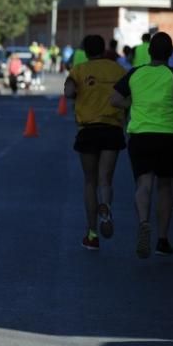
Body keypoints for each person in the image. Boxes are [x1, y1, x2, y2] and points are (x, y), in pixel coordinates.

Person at [110, 32, 173, 258]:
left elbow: (114, 99)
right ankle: (162, 239)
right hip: (168, 135)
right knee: (165, 186)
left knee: (143, 183)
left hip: (141, 135)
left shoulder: (135, 73)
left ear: (150, 51)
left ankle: (144, 221)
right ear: (170, 52)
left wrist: (132, 103)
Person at [63, 35, 126, 251]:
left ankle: (92, 234)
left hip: (88, 130)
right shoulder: (117, 70)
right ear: (104, 49)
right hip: (112, 129)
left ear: (86, 51)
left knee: (90, 181)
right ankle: (106, 206)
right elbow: (128, 94)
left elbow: (69, 93)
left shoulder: (79, 70)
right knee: (105, 178)